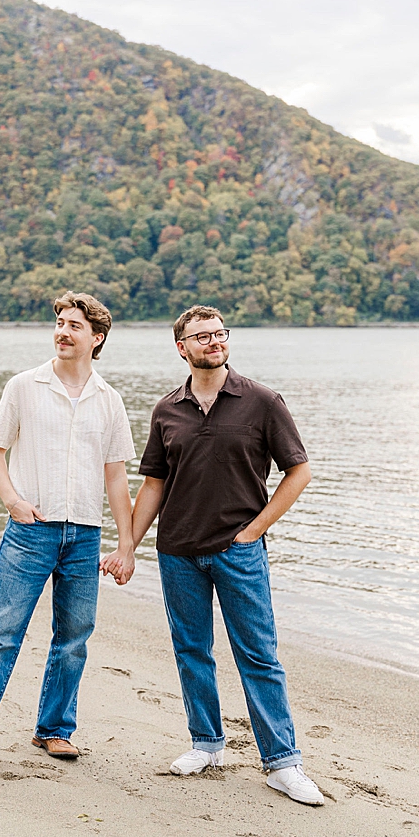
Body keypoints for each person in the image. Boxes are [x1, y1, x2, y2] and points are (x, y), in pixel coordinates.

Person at [0, 292, 137, 768]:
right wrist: (12, 501)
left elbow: (116, 476)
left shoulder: (109, 400)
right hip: (31, 531)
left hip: (85, 536)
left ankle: (54, 729)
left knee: (74, 637)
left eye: (75, 325)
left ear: (97, 338)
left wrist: (127, 544)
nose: (62, 331)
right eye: (59, 322)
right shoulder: (23, 386)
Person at [118, 306, 322, 805]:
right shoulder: (167, 410)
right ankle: (207, 744)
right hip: (178, 552)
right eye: (201, 336)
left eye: (219, 334)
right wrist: (127, 547)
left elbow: (299, 472)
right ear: (181, 347)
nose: (214, 341)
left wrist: (255, 530)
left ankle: (283, 763)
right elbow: (153, 486)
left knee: (258, 655)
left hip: (239, 551)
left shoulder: (262, 402)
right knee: (192, 651)